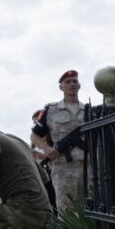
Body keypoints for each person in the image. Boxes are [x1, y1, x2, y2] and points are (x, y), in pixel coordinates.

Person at [30, 70, 87, 212]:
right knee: (66, 212)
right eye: (68, 82)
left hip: (87, 167)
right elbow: (34, 136)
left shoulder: (88, 110)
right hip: (63, 169)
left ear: (79, 85)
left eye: (75, 81)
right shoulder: (51, 110)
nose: (72, 84)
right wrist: (47, 149)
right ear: (61, 87)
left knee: (89, 211)